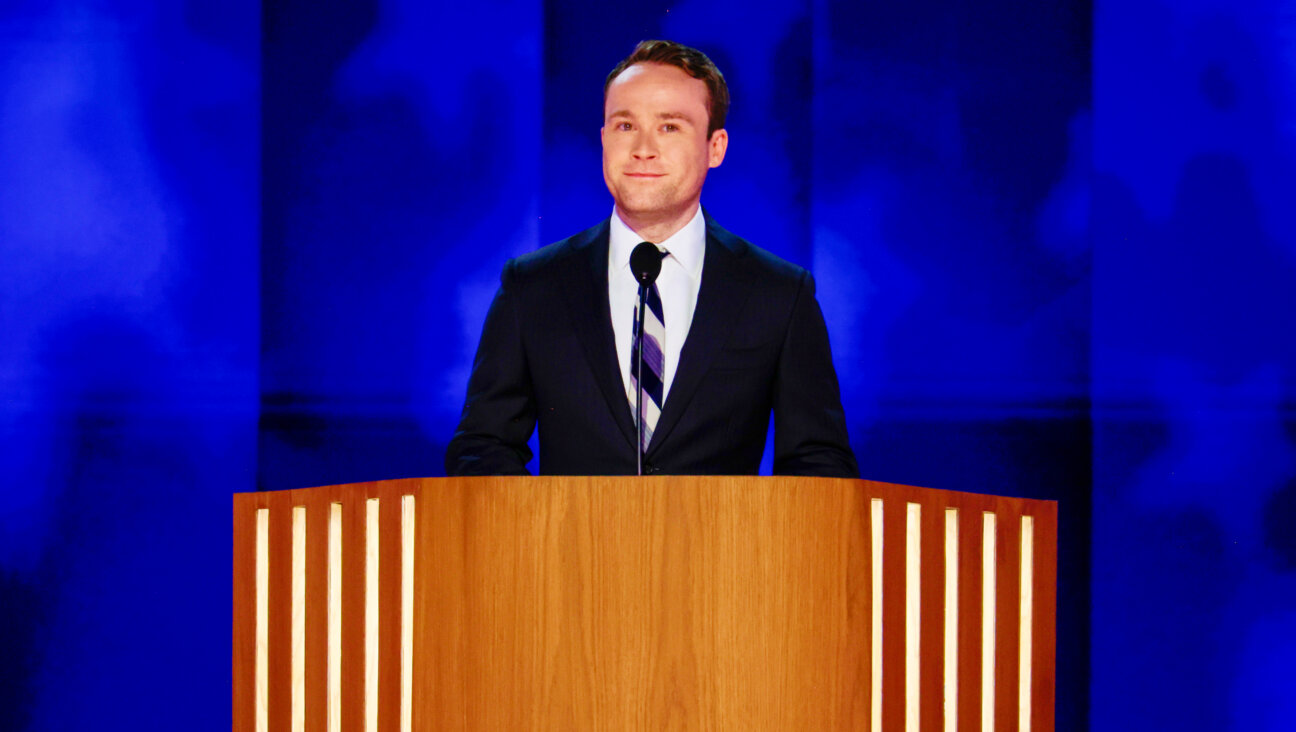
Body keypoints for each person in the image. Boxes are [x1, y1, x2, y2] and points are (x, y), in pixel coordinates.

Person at [446, 40, 857, 477]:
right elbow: (482, 448)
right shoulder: (533, 285)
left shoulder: (778, 293)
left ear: (715, 147)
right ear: (604, 139)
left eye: (669, 127)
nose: (643, 149)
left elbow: (819, 464)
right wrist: (549, 533)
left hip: (724, 545)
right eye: (625, 126)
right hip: (569, 545)